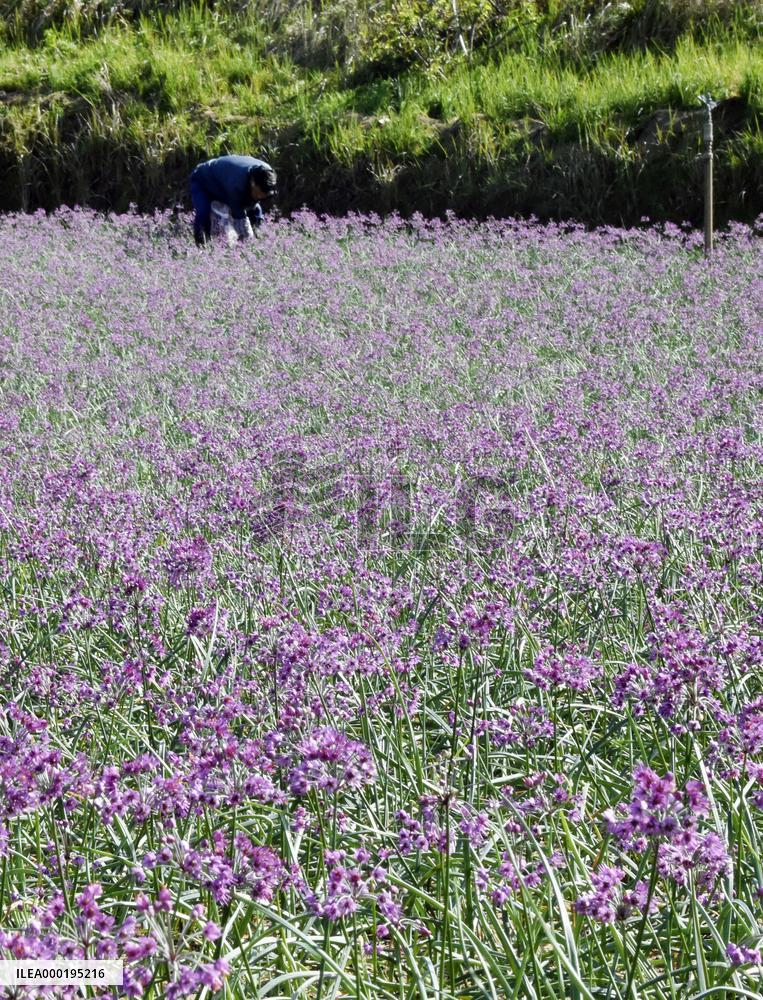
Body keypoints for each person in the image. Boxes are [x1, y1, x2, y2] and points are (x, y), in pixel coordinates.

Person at [189, 154, 277, 246]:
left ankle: (260, 238)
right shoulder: (237, 185)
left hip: (224, 180)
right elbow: (239, 217)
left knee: (256, 210)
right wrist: (248, 245)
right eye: (257, 194)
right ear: (253, 183)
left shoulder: (268, 174)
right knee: (203, 211)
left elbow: (255, 203)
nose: (259, 197)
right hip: (201, 179)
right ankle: (201, 245)